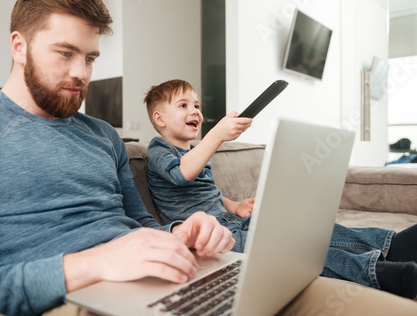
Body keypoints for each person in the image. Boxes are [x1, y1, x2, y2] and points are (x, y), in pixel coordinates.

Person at [0, 0, 236, 315]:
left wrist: (180, 234)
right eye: (65, 53)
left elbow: (139, 221)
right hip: (66, 303)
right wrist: (95, 264)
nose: (81, 73)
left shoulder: (104, 135)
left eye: (90, 58)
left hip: (151, 286)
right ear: (19, 47)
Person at [143, 79, 417, 300]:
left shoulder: (195, 151)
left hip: (232, 221)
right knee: (293, 255)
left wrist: (234, 205)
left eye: (197, 105)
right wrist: (216, 135)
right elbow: (180, 175)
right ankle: (377, 272)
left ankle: (390, 245)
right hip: (213, 239)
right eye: (183, 105)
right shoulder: (158, 149)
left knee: (303, 231)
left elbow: (206, 192)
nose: (195, 111)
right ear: (160, 119)